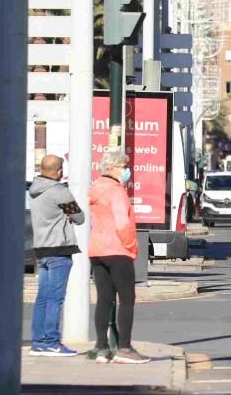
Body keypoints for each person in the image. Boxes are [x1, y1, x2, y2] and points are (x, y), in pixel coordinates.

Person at [88, 150, 148, 364]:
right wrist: (131, 246)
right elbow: (122, 223)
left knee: (104, 299)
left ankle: (101, 347)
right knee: (127, 299)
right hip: (118, 249)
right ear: (113, 168)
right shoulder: (116, 192)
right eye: (124, 166)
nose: (127, 170)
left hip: (97, 250)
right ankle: (125, 347)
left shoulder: (94, 189)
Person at [29, 154, 84, 357]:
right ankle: (52, 341)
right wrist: (68, 216)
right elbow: (79, 217)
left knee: (43, 297)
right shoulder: (60, 191)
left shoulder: (34, 190)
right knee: (56, 298)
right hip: (59, 250)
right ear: (58, 170)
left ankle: (38, 341)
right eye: (61, 169)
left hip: (41, 249)